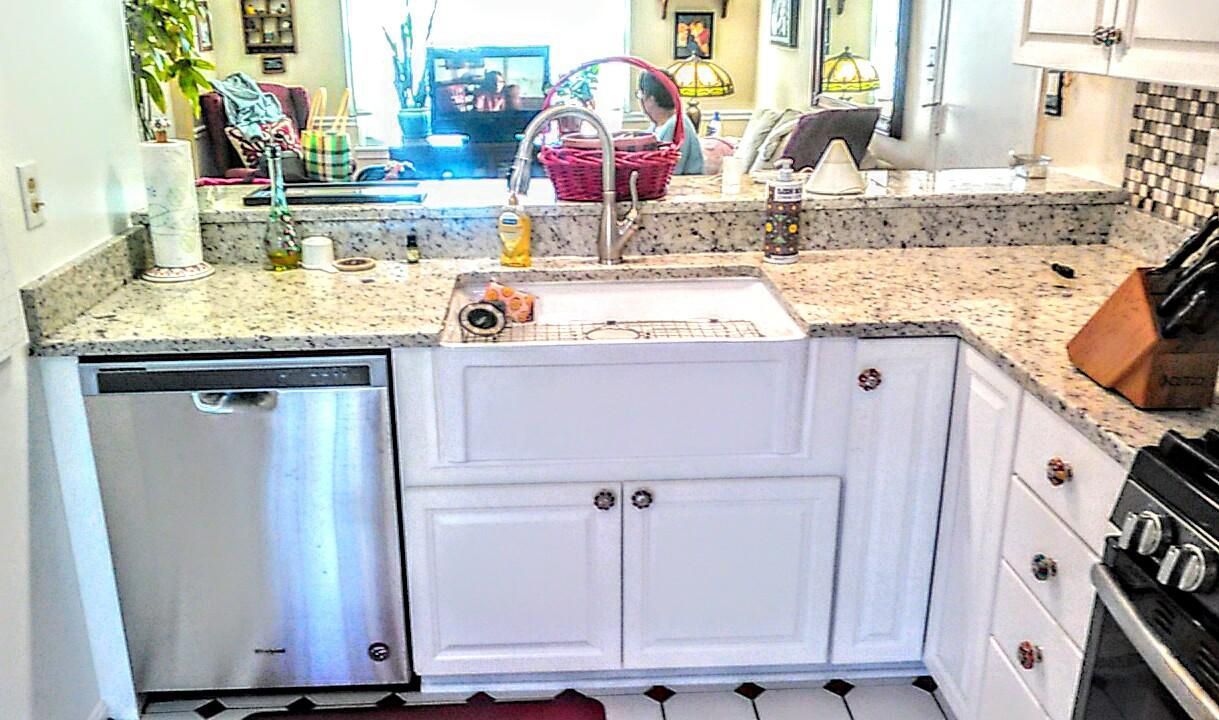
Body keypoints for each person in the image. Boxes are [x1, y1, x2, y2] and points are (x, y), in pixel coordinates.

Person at [637, 71, 704, 175]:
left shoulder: (676, 126)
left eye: (641, 94)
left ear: (651, 99)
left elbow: (670, 172)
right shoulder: (657, 126)